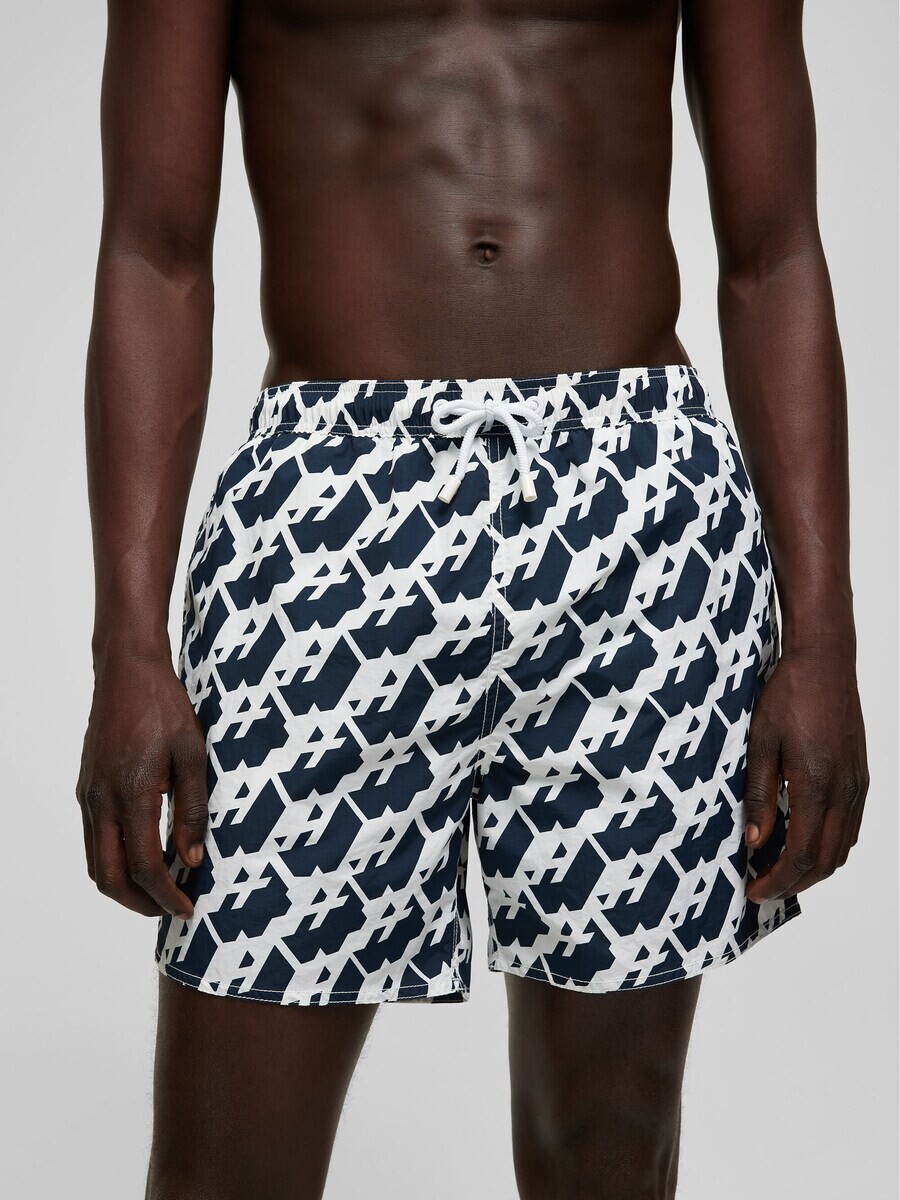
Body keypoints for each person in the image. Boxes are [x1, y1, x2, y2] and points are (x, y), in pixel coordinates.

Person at [76, 2, 869, 1197]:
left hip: (637, 516)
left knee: (609, 1138)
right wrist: (129, 650)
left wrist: (824, 642)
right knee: (226, 1163)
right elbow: (153, 252)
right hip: (329, 519)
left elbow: (774, 252)